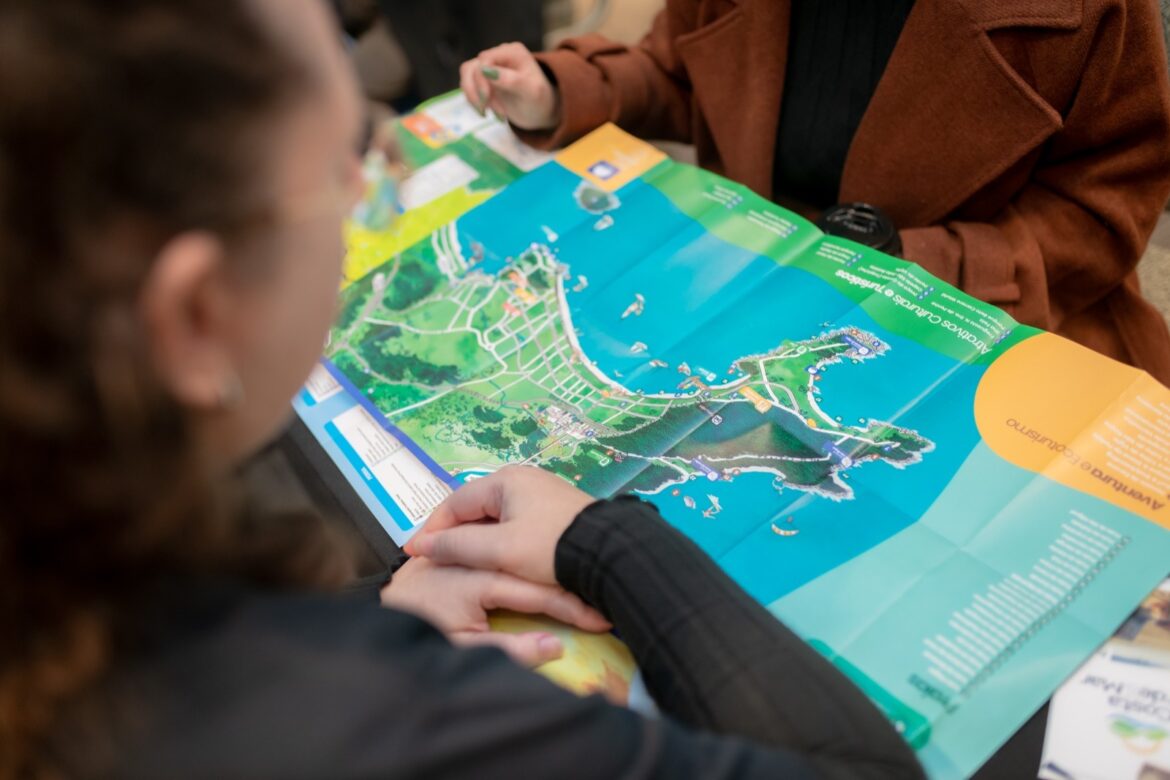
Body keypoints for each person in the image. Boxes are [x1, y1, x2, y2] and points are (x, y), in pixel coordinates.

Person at [0, 1, 927, 777]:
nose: (368, 193)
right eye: (344, 167)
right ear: (197, 315)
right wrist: (604, 539)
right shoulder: (384, 724)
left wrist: (364, 614)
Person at [459, 0, 1170, 386]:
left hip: (992, 318)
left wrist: (915, 262)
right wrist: (559, 91)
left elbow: (1105, 201)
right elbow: (681, 75)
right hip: (759, 283)